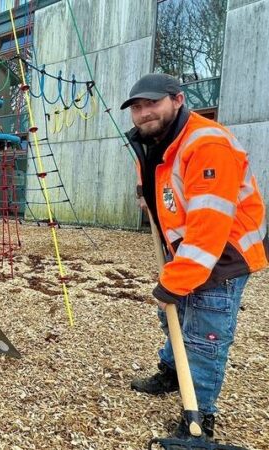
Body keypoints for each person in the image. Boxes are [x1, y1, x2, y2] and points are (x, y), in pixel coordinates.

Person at [121, 73, 268, 441]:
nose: (143, 113)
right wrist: (145, 191)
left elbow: (210, 229)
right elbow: (160, 178)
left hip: (223, 255)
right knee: (174, 314)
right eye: (137, 107)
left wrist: (173, 281)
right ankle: (173, 372)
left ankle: (199, 417)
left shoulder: (207, 144)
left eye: (152, 103)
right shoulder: (155, 139)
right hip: (187, 249)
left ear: (178, 99)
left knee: (204, 333)